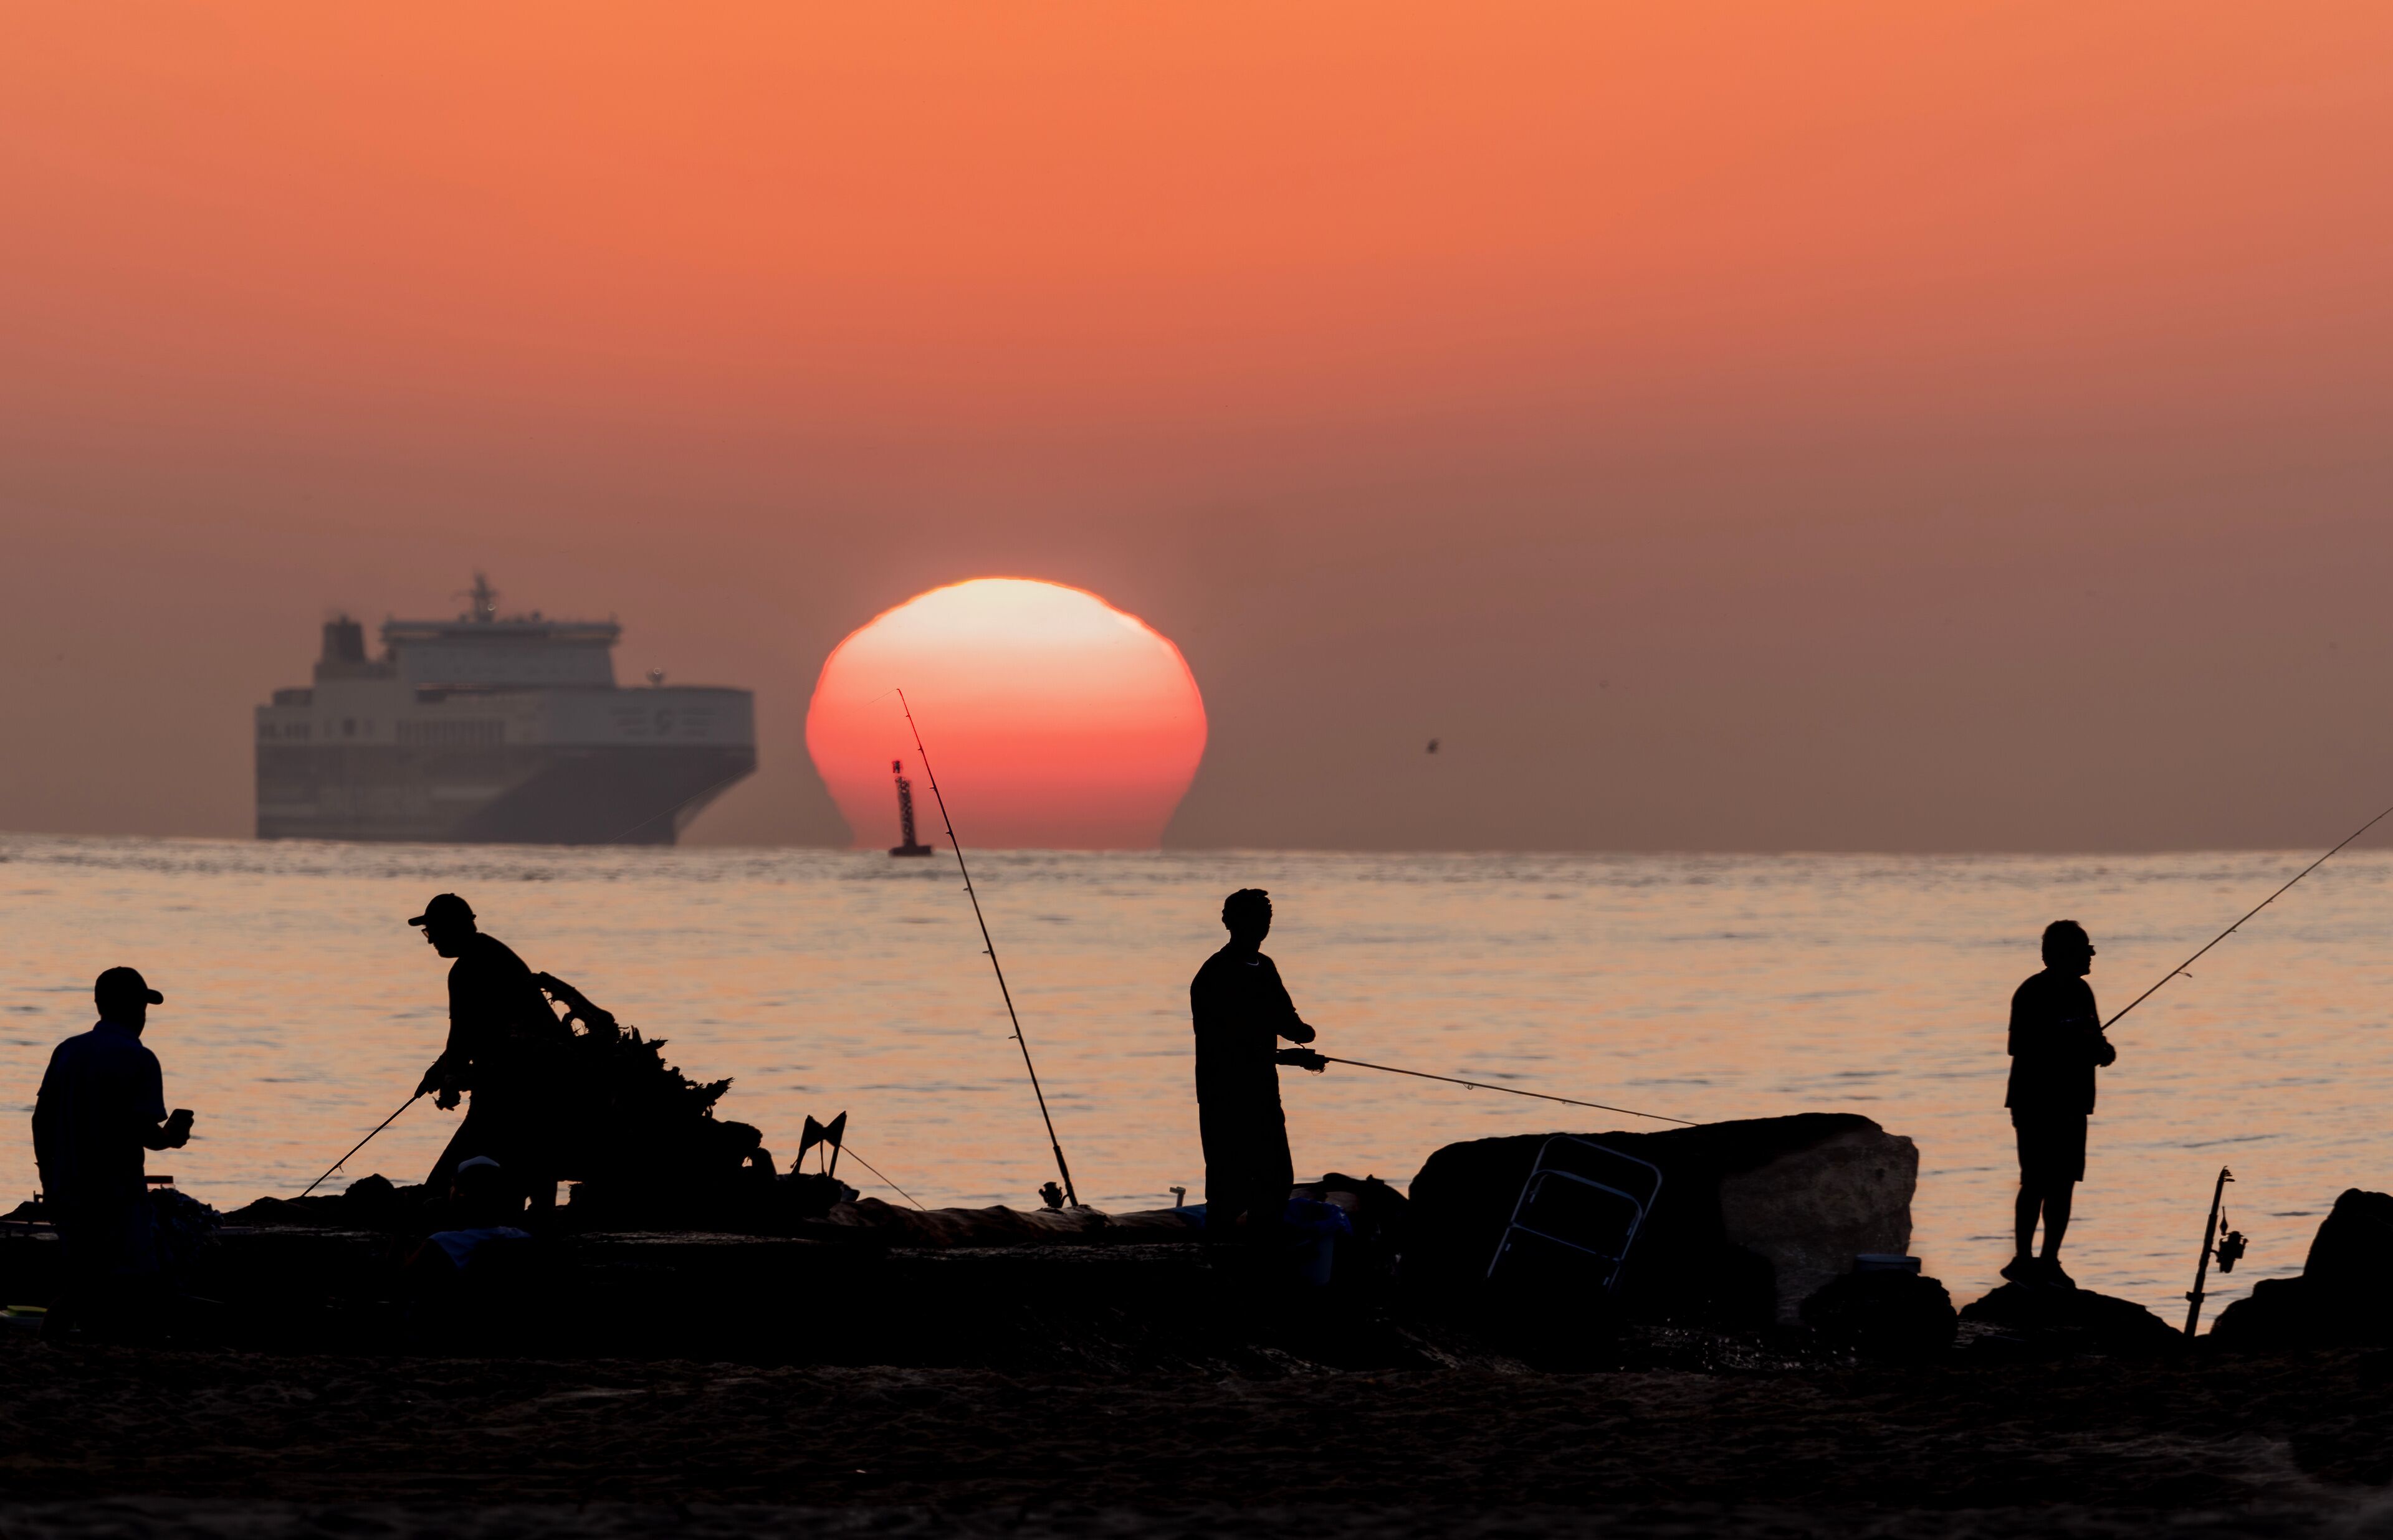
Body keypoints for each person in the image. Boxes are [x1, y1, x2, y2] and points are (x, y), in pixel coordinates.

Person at [30, 967, 194, 1335]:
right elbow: (146, 1134)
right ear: (135, 1009)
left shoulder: (68, 1050)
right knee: (130, 1280)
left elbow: (41, 1121)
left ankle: (57, 1344)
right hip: (118, 1194)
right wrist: (172, 1137)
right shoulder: (140, 1058)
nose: (144, 1017)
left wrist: (48, 1179)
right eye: (143, 1007)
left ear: (99, 1005)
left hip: (68, 1189)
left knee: (83, 1279)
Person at [410, 893, 570, 1218]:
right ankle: (536, 1222)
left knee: (447, 1180)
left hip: (513, 1082)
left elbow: (462, 1034)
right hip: (543, 1078)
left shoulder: (467, 969)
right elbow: (477, 1029)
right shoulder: (493, 952)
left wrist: (450, 1078)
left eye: (433, 932)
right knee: (529, 1161)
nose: (430, 941)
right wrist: (440, 1070)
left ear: (453, 928)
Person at [1190, 888, 1325, 1241]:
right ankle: (1224, 1250)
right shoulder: (1217, 974)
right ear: (1229, 923)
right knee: (1230, 1181)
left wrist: (1298, 1040)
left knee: (1275, 1177)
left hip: (1262, 1092)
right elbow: (1227, 1046)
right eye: (1253, 919)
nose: (1261, 927)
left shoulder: (1263, 967)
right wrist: (1289, 1054)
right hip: (1224, 1096)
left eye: (1265, 919)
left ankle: (1260, 1247)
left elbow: (1286, 1023)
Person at [2004, 918, 2117, 1289]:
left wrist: (2103, 1051)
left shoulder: (2083, 992)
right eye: (2086, 950)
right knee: (2035, 1182)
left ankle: (2049, 1261)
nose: (2091, 956)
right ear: (2064, 954)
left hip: (2073, 1103)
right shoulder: (2032, 992)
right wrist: (2072, 1045)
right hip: (2035, 1103)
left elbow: (2094, 1039)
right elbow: (2018, 1047)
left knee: (2064, 1183)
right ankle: (2022, 1261)